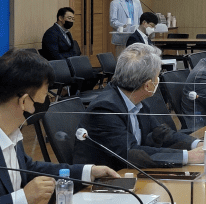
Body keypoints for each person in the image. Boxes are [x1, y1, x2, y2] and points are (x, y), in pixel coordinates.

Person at [0, 49, 118, 204]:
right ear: (24, 101)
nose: (45, 104)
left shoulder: (12, 133)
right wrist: (23, 198)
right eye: (44, 97)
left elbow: (28, 169)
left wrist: (87, 172)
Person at [73, 43, 202, 169]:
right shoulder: (105, 109)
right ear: (148, 85)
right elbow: (131, 154)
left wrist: (197, 144)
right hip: (106, 178)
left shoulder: (136, 98)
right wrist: (187, 156)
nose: (158, 79)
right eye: (158, 75)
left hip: (130, 172)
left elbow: (160, 133)